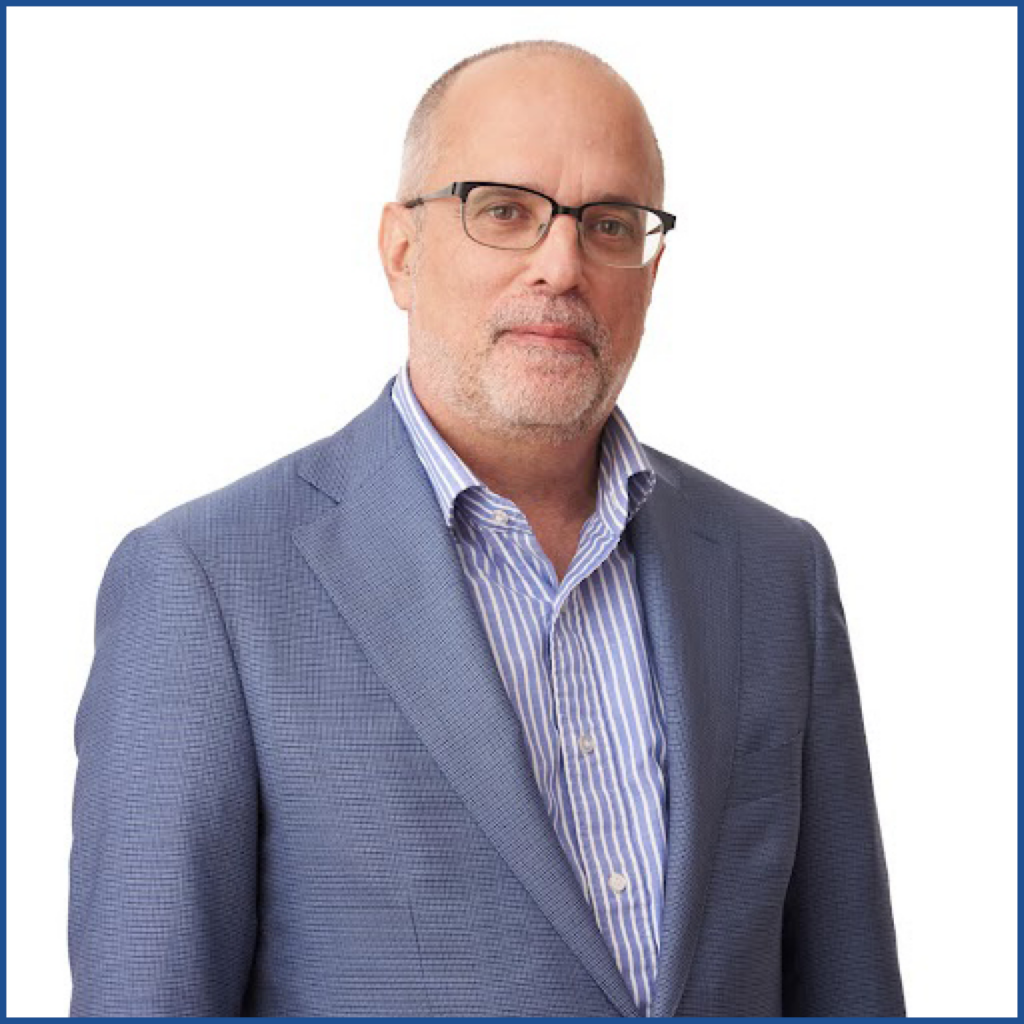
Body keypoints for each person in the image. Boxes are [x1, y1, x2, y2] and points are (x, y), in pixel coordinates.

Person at [68, 40, 905, 1017]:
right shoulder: (206, 583)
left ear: (649, 266)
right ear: (400, 249)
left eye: (608, 223)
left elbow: (851, 990)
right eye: (503, 210)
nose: (561, 265)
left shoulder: (775, 572)